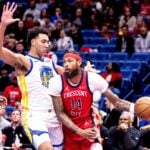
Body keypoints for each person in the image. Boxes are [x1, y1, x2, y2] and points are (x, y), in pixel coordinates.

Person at [0, 2, 64, 150]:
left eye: (48, 42)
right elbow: (1, 52)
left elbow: (71, 72)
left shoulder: (50, 63)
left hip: (55, 117)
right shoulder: (25, 62)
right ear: (33, 42)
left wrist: (85, 70)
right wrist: (3, 25)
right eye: (43, 41)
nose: (47, 44)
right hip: (35, 116)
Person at [48, 51, 135, 150]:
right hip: (68, 128)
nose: (66, 64)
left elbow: (116, 101)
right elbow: (60, 113)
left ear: (79, 62)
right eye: (64, 62)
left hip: (88, 125)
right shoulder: (56, 82)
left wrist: (134, 108)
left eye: (70, 61)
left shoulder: (93, 79)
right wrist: (80, 131)